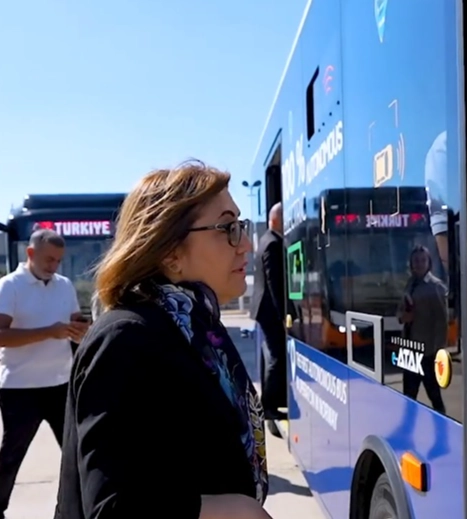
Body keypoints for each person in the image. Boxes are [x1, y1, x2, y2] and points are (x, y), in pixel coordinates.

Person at [54, 160, 273, 519]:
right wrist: (236, 509)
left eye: (242, 226)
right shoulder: (125, 339)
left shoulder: (200, 333)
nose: (246, 244)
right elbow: (115, 509)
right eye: (228, 228)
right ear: (170, 252)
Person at [0, 229, 88, 518]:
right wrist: (49, 332)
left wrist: (80, 327)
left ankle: (77, 509)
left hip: (60, 384)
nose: (54, 265)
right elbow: (1, 336)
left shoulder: (64, 285)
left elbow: (73, 321)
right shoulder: (9, 286)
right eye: (48, 259)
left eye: (58, 260)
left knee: (76, 453)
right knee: (12, 454)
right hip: (20, 387)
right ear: (30, 254)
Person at [397, 245, 448, 413]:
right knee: (408, 396)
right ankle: (407, 430)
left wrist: (438, 353)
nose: (419, 264)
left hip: (428, 352)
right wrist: (402, 317)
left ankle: (443, 429)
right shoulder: (410, 283)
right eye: (416, 261)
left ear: (429, 263)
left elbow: (441, 322)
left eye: (422, 260)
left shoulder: (436, 287)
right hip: (409, 349)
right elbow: (401, 309)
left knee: (434, 395)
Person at [251, 202, 288, 420]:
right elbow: (275, 283)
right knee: (277, 356)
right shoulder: (273, 244)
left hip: (263, 309)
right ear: (276, 221)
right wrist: (284, 315)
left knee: (275, 354)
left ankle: (273, 401)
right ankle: (269, 406)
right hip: (269, 310)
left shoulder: (266, 240)